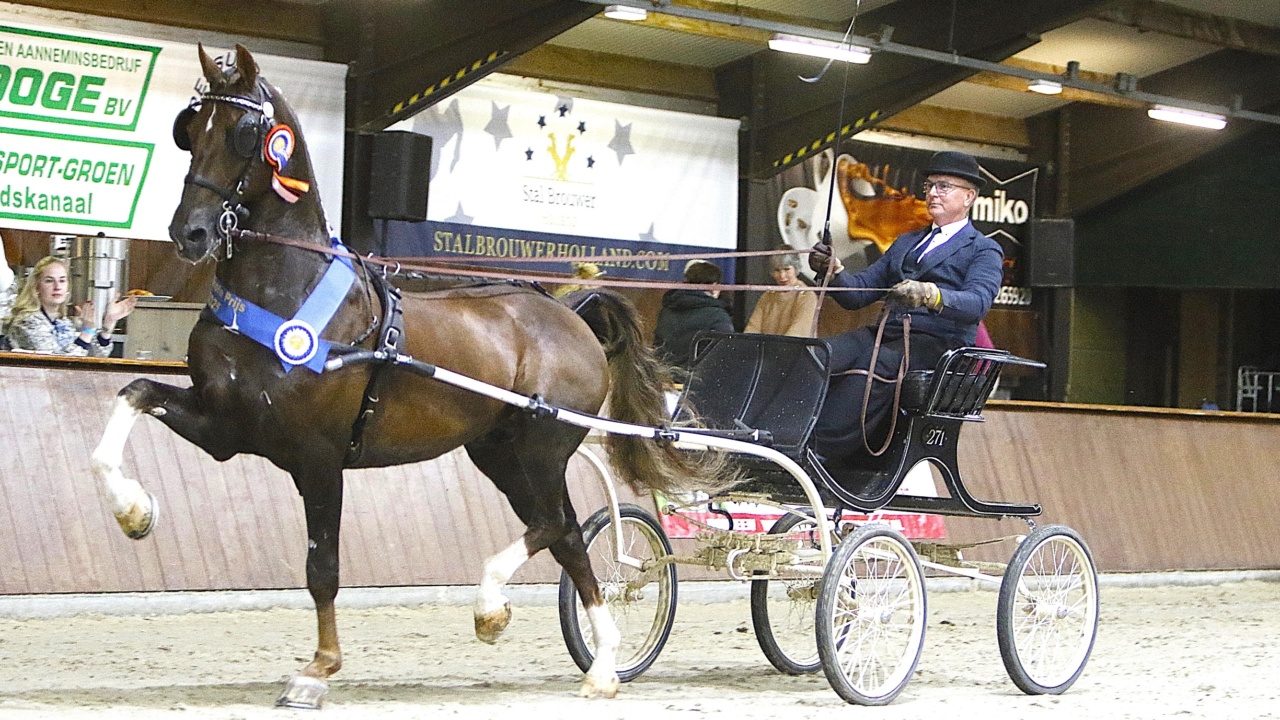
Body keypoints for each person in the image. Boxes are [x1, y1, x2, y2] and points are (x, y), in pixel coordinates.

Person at [807, 150, 1002, 462]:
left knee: (874, 365)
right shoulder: (906, 242)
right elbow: (857, 295)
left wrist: (930, 294)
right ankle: (785, 436)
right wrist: (834, 271)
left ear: (969, 197)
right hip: (887, 334)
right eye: (929, 186)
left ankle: (822, 452)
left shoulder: (983, 249)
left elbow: (977, 303)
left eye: (943, 186)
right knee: (816, 354)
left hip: (936, 345)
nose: (932, 193)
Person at [3, 255, 136, 356]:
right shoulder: (26, 322)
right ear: (36, 287)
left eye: (62, 280)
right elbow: (60, 363)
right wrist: (87, 331)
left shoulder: (63, 322)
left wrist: (108, 324)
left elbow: (96, 356)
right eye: (49, 281)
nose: (57, 287)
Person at [653, 259, 733, 378]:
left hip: (665, 380)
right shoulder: (718, 316)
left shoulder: (667, 310)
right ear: (714, 286)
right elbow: (726, 355)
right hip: (697, 384)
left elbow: (657, 347)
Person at [745, 248, 817, 337]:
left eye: (787, 269)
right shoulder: (768, 296)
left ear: (796, 269)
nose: (782, 276)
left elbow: (797, 334)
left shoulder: (807, 296)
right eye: (777, 270)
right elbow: (752, 329)